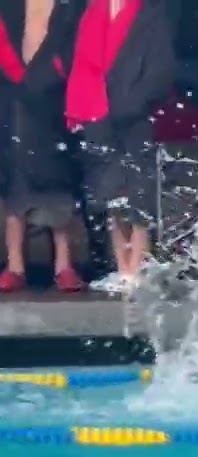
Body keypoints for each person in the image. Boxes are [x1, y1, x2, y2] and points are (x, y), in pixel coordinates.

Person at [66, 0, 175, 295]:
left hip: (135, 116)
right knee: (109, 189)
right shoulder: (92, 12)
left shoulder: (151, 13)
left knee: (140, 187)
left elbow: (162, 70)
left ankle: (138, 262)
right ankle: (123, 265)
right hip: (98, 113)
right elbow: (82, 62)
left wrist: (132, 102)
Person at [0, 0, 86, 293]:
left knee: (57, 178)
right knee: (16, 179)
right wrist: (18, 75)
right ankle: (15, 265)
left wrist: (52, 74)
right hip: (14, 96)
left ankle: (63, 264)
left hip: (54, 99)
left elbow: (76, 46)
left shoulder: (70, 5)